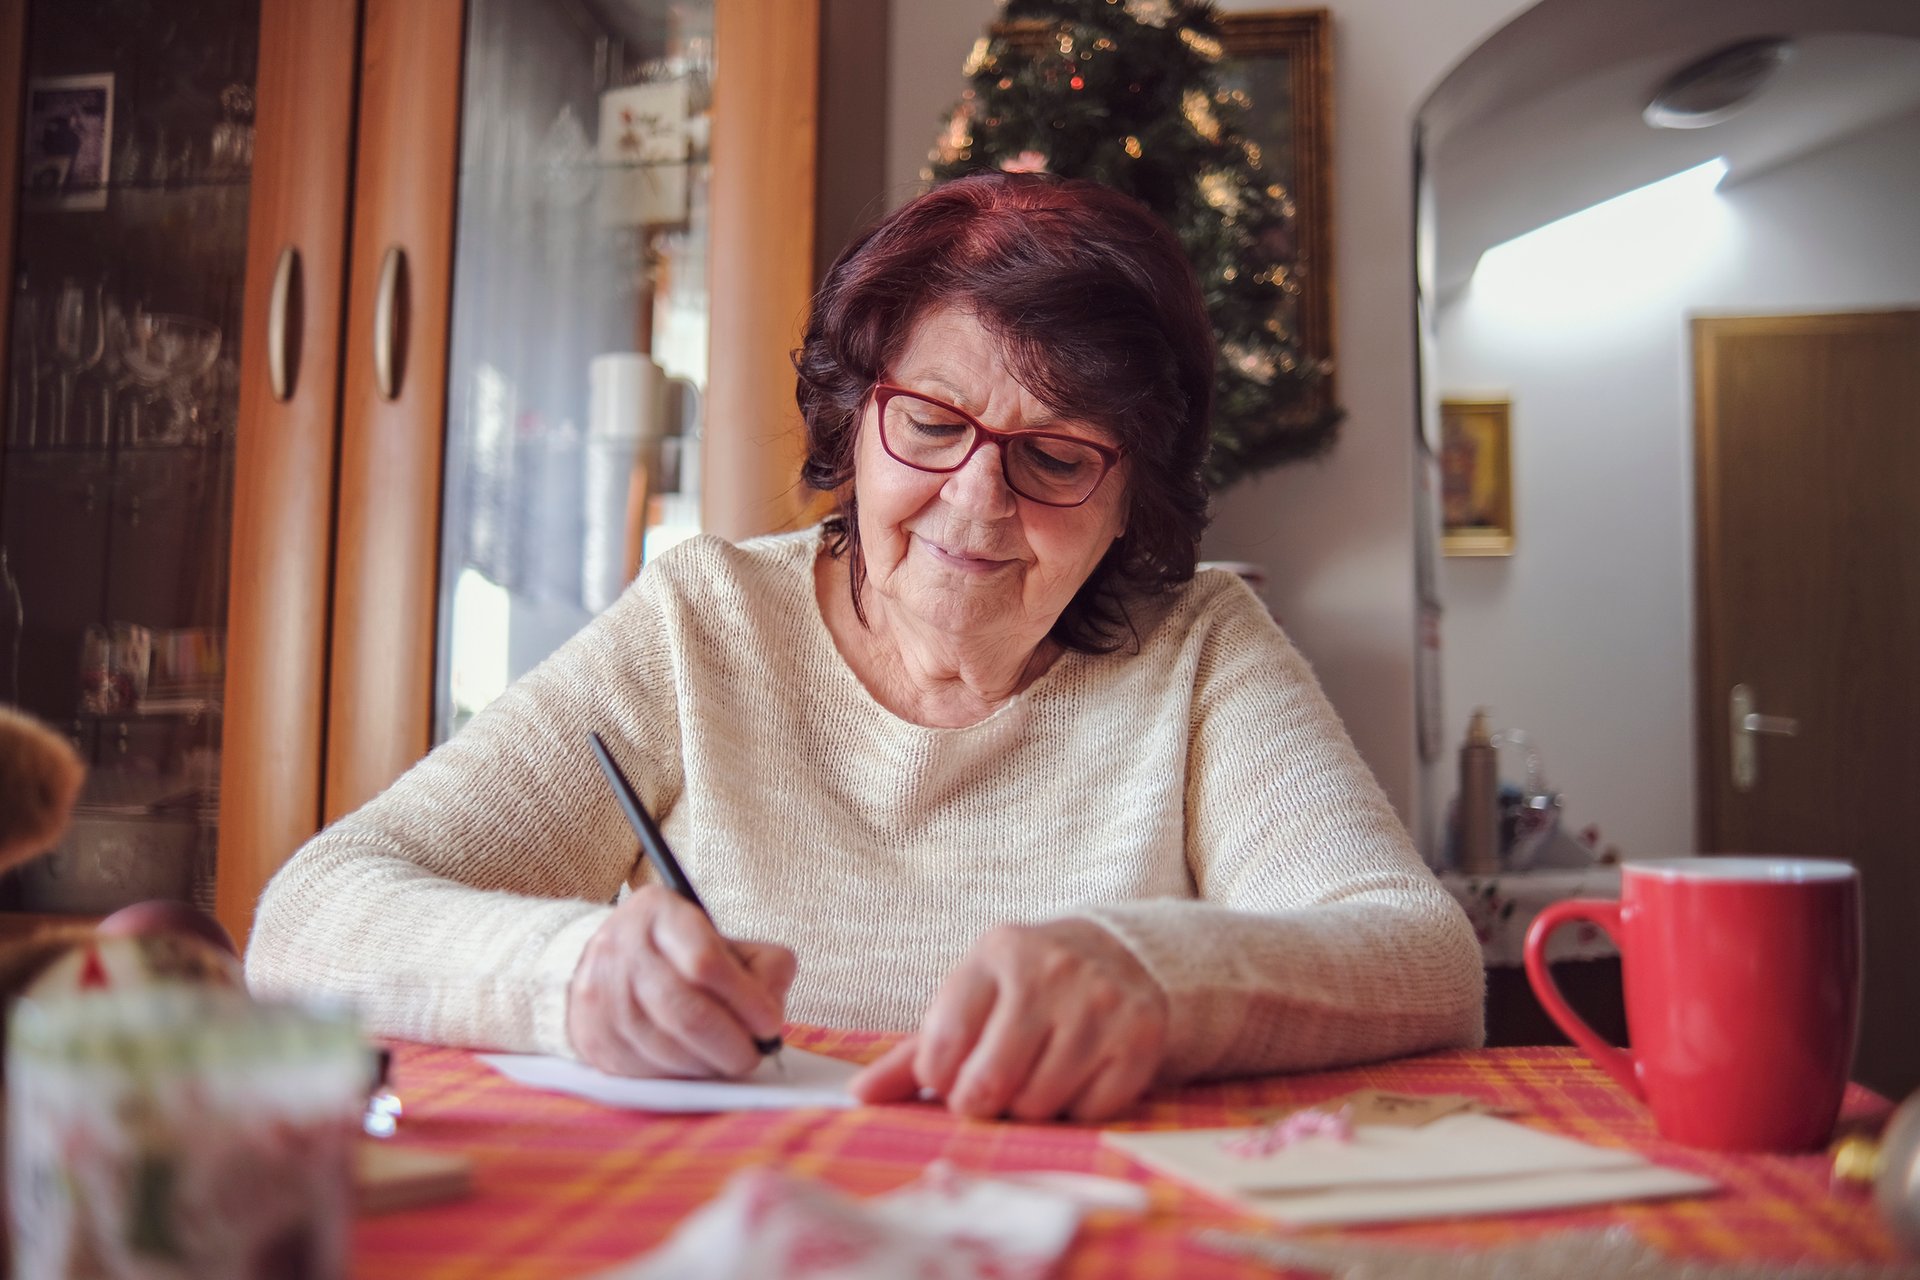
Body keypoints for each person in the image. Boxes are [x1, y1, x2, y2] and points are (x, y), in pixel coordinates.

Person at [247, 173, 1483, 1122]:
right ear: (854, 421)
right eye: (933, 423)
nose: (977, 504)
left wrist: (1153, 975)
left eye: (1056, 456)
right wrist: (570, 971)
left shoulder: (1203, 646)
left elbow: (1427, 962)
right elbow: (308, 916)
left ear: (1130, 498)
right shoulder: (706, 622)